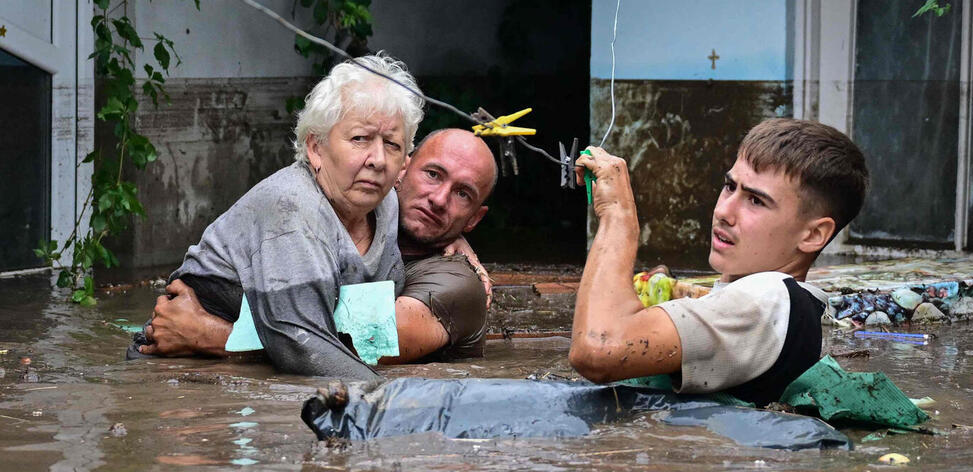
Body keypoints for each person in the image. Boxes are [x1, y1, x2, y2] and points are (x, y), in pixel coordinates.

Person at [130, 53, 423, 379]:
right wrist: (397, 401)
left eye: (392, 145)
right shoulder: (292, 207)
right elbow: (302, 346)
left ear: (404, 165)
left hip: (241, 359)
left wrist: (457, 242)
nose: (378, 159)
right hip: (180, 373)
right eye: (360, 139)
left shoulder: (386, 206)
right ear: (316, 148)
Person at [570, 118, 869, 406]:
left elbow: (598, 348)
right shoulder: (787, 306)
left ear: (814, 234)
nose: (724, 211)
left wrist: (617, 214)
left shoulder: (767, 297)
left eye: (756, 201)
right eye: (729, 186)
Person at [136, 128, 498, 364]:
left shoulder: (458, 284)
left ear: (474, 219)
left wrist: (209, 335)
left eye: (462, 194)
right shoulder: (336, 218)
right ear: (400, 169)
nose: (438, 199)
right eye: (432, 174)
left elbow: (356, 347)